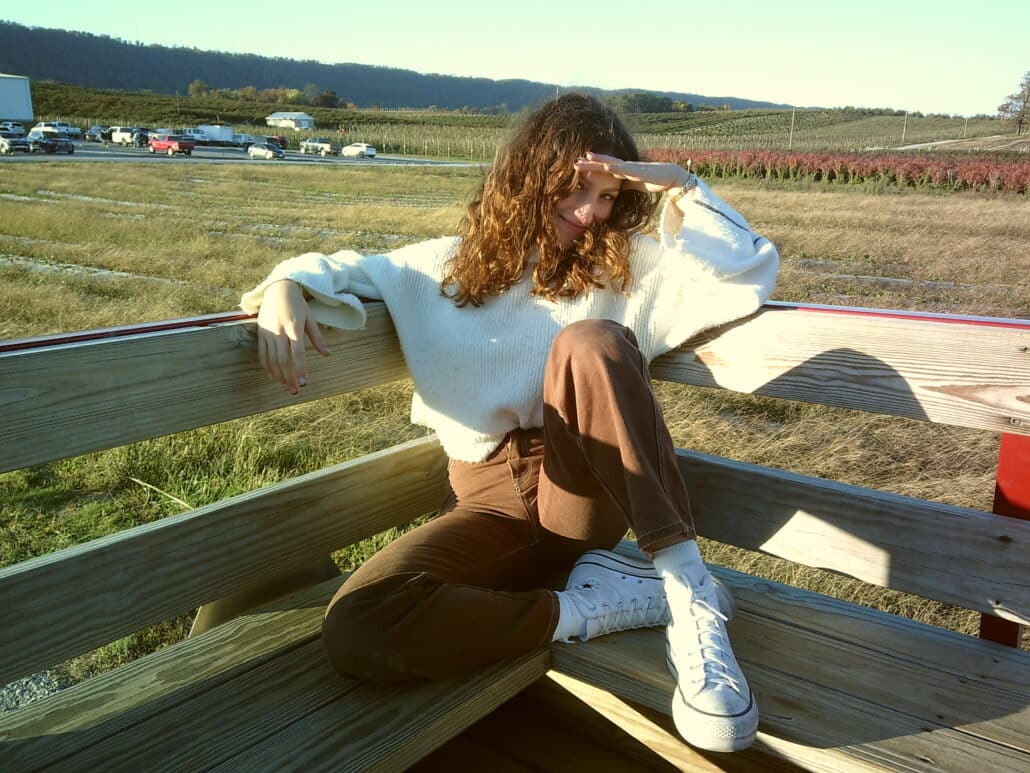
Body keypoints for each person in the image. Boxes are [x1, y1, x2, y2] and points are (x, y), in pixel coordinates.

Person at [241, 93, 779, 753]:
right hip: (488, 507)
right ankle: (590, 608)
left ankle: (687, 589)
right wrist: (282, 289)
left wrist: (684, 188)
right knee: (358, 623)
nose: (591, 214)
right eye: (578, 189)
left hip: (579, 494)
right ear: (528, 175)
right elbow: (337, 269)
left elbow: (749, 270)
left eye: (609, 196)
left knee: (591, 342)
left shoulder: (623, 269)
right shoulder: (437, 269)